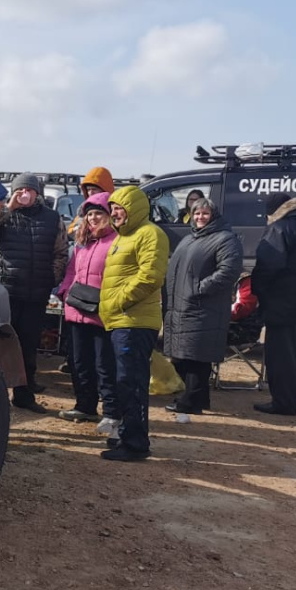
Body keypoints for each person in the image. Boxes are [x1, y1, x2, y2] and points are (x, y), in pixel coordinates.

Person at [98, 186, 168, 461]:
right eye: (113, 208)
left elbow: (151, 276)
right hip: (119, 321)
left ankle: (136, 444)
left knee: (132, 382)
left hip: (135, 321)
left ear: (134, 208)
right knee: (123, 382)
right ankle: (127, 435)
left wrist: (119, 301)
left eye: (120, 208)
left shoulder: (150, 234)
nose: (115, 213)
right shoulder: (121, 238)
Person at [0, 173, 69, 412]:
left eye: (29, 190)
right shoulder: (4, 215)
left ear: (37, 193)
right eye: (20, 190)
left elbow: (61, 251)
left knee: (28, 344)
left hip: (37, 293)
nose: (25, 194)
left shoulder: (52, 218)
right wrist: (9, 207)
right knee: (0, 345)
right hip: (7, 292)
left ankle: (24, 395)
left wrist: (51, 279)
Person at [162, 197, 243, 413]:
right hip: (181, 306)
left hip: (204, 307)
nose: (200, 217)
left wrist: (199, 288)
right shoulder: (189, 239)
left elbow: (229, 270)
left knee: (197, 357)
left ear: (213, 216)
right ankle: (198, 399)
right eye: (196, 213)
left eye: (205, 213)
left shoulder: (225, 239)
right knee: (182, 355)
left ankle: (190, 401)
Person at [249, 193, 296, 416]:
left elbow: (269, 266)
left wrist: (258, 290)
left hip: (282, 302)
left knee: (281, 355)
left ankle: (283, 402)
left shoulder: (279, 229)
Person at [55, 193, 118, 427]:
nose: (92, 218)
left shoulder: (116, 242)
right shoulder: (83, 242)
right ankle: (85, 406)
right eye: (89, 214)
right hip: (77, 310)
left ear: (109, 215)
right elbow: (72, 271)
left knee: (104, 364)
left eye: (98, 213)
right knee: (79, 362)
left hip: (102, 312)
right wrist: (64, 292)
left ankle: (111, 411)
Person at [66, 167, 115, 238]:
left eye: (94, 189)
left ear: (104, 190)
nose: (91, 193)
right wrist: (83, 230)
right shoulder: (83, 211)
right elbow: (71, 233)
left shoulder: (116, 211)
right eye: (88, 189)